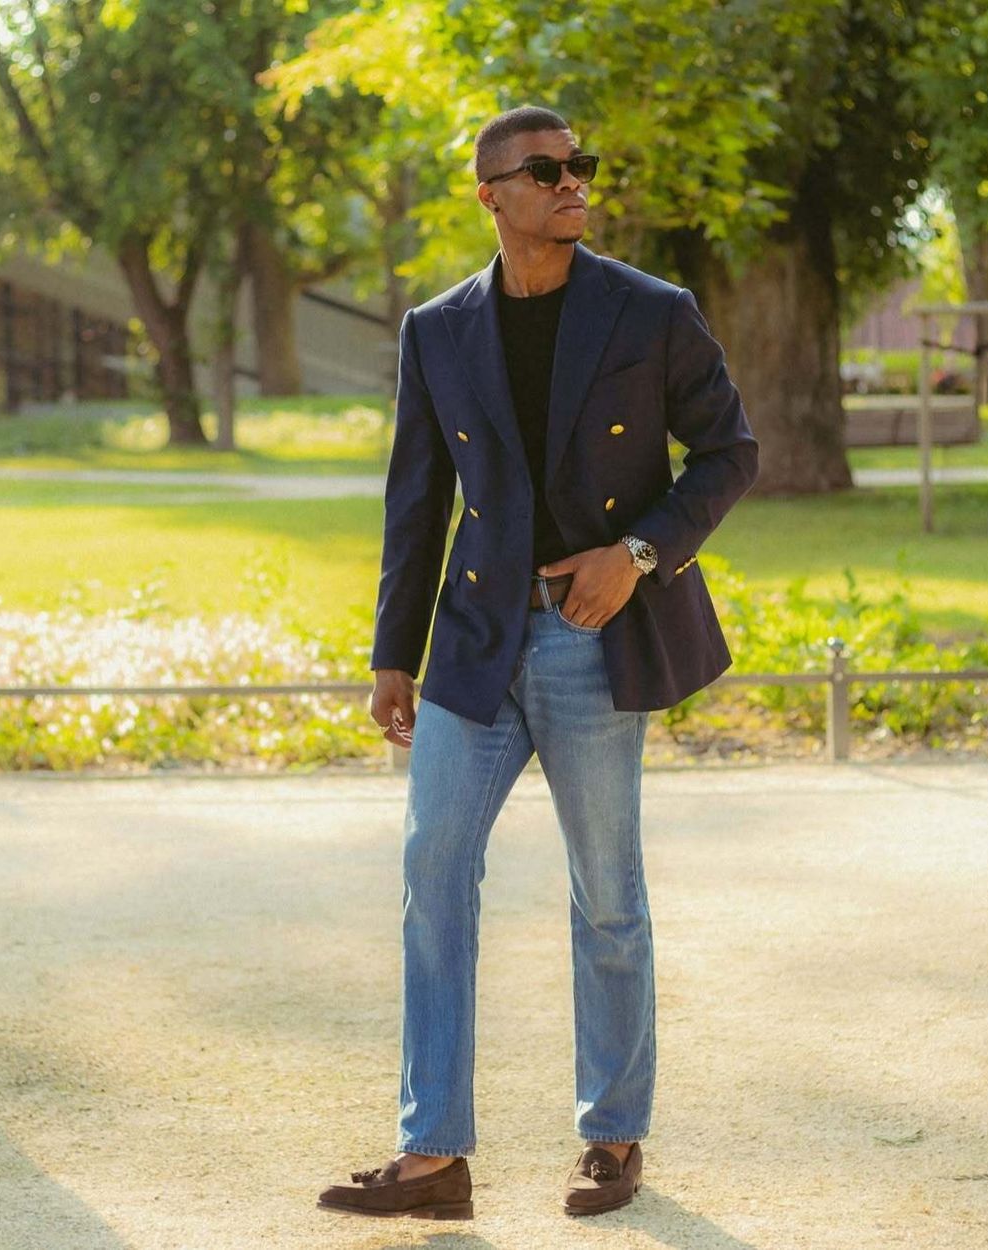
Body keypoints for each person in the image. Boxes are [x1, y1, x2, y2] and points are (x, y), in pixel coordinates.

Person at [317, 104, 759, 1221]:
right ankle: (433, 1154)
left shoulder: (650, 312)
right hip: (473, 637)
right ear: (492, 194)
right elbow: (415, 503)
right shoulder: (436, 329)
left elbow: (729, 449)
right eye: (547, 170)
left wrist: (639, 551)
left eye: (579, 166)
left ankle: (611, 1134)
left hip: (591, 635)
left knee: (606, 893)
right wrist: (390, 653)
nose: (573, 183)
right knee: (432, 875)